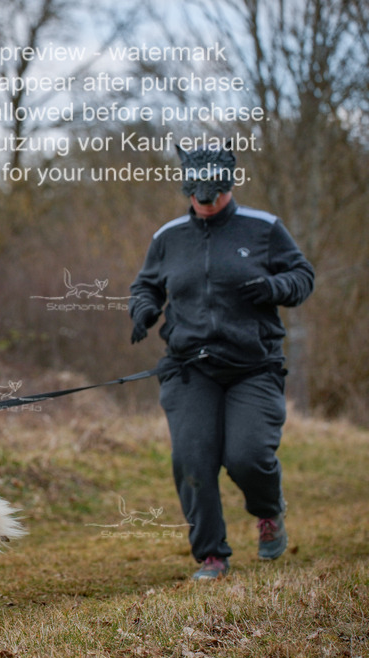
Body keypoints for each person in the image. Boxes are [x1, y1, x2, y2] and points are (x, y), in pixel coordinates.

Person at [129, 143, 314, 581]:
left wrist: (273, 287)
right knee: (193, 460)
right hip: (191, 367)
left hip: (254, 364)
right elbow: (147, 286)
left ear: (228, 187)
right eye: (198, 197)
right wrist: (144, 309)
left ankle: (268, 510)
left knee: (248, 456)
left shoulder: (264, 228)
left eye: (213, 197)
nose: (206, 205)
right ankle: (212, 555)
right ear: (187, 189)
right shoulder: (169, 237)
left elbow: (302, 276)